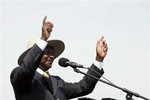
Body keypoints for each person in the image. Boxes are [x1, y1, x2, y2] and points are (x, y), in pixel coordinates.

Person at [10, 16, 108, 100]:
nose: (51, 56)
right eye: (46, 52)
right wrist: (43, 40)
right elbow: (26, 70)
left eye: (52, 53)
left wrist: (99, 59)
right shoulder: (21, 77)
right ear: (35, 54)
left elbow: (83, 87)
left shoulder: (57, 82)